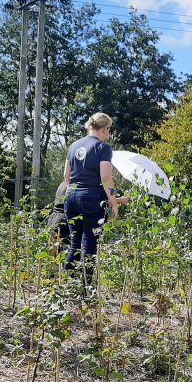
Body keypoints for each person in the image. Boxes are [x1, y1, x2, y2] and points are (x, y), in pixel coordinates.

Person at [63, 112, 120, 276]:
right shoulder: (103, 148)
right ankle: (85, 290)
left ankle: (67, 285)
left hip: (71, 197)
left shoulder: (74, 145)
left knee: (75, 243)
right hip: (92, 199)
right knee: (89, 244)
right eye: (109, 130)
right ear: (104, 129)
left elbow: (66, 175)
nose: (108, 134)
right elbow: (106, 178)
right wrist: (114, 203)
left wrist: (73, 192)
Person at [47, 181, 69, 256]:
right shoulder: (73, 183)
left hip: (52, 218)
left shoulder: (62, 183)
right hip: (63, 219)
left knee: (53, 254)